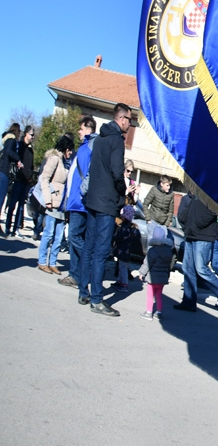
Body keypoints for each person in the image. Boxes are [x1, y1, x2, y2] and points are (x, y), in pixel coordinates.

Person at [81, 107, 131, 317]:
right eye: (129, 120)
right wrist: (122, 192)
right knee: (101, 252)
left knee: (89, 247)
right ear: (122, 119)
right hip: (106, 202)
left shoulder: (100, 139)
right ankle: (97, 300)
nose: (130, 124)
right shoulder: (116, 141)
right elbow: (117, 172)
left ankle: (83, 292)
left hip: (93, 199)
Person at [174, 193, 218, 316]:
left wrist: (197, 225)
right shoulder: (196, 193)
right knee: (188, 268)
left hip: (203, 236)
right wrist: (185, 222)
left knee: (201, 269)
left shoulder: (212, 192)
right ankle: (189, 301)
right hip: (191, 234)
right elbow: (188, 211)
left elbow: (213, 211)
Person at [58, 117, 96, 291]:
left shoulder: (91, 146)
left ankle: (90, 263)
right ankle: (75, 274)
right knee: (74, 239)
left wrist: (82, 191)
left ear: (89, 129)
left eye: (81, 129)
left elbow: (91, 172)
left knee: (74, 236)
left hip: (81, 201)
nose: (79, 132)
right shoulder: (83, 146)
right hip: (74, 200)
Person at [36, 135, 73, 274]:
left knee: (58, 237)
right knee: (48, 234)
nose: (71, 153)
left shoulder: (64, 162)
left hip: (62, 205)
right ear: (66, 148)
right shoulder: (54, 159)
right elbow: (44, 178)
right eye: (70, 150)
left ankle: (52, 263)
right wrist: (48, 200)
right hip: (53, 203)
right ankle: (42, 261)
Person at [139, 223, 175, 321]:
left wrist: (142, 273)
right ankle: (159, 312)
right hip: (162, 279)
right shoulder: (168, 251)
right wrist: (167, 276)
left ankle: (148, 312)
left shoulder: (152, 251)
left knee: (150, 295)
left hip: (152, 278)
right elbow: (168, 266)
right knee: (159, 295)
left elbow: (147, 264)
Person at [5, 126, 35, 236]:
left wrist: (30, 177)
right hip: (18, 179)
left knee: (21, 207)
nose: (33, 137)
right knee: (12, 205)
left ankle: (16, 228)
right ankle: (8, 227)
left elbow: (30, 166)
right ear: (26, 134)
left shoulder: (30, 150)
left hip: (26, 181)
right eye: (31, 134)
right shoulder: (19, 146)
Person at [112, 205, 144, 291]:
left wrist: (115, 233)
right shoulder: (131, 228)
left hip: (122, 251)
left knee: (123, 267)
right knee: (121, 266)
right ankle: (119, 281)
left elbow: (118, 237)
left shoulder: (124, 228)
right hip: (126, 251)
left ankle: (124, 284)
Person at [0, 123, 20, 224]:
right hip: (4, 172)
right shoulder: (12, 140)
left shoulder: (5, 141)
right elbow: (9, 151)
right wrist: (18, 159)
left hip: (1, 170)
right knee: (1, 198)